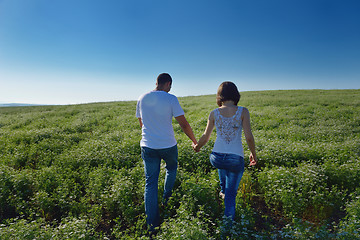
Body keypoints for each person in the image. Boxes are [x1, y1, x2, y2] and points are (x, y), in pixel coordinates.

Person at [136, 73, 198, 232]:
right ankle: (167, 199)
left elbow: (141, 122)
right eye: (170, 86)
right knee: (171, 168)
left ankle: (152, 226)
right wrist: (194, 140)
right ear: (168, 84)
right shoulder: (171, 98)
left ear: (156, 83)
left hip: (148, 146)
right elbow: (183, 124)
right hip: (168, 145)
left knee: (150, 183)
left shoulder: (142, 98)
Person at [193, 81, 258, 224]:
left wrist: (197, 147)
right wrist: (253, 153)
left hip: (216, 157)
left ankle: (222, 190)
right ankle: (227, 227)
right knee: (231, 196)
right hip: (235, 158)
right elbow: (248, 137)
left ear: (219, 96)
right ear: (235, 94)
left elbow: (205, 136)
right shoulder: (243, 111)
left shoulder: (214, 113)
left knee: (222, 164)